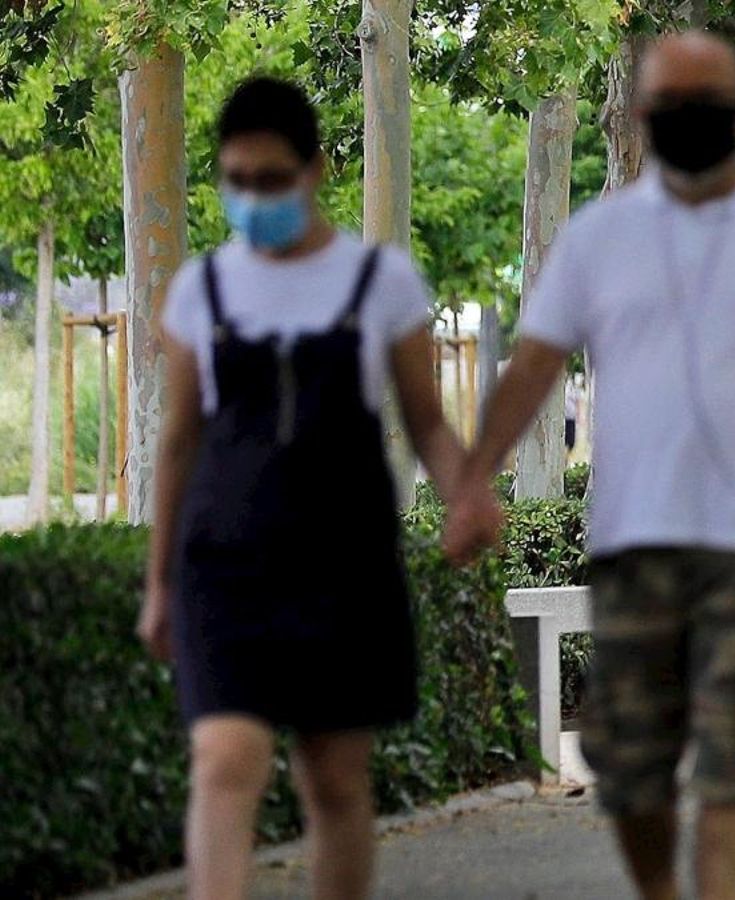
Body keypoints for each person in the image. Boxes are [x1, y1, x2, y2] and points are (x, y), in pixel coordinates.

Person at [447, 32, 735, 900]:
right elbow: (533, 367)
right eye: (670, 108)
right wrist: (472, 481)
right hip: (634, 537)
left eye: (705, 107)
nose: (687, 121)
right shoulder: (599, 237)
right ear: (640, 116)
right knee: (632, 765)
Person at [136, 78, 472, 899]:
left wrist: (468, 493)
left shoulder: (382, 280)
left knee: (334, 777)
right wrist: (159, 583)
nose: (254, 198)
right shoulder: (200, 289)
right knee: (225, 758)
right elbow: (178, 443)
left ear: (316, 169)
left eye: (272, 179)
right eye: (237, 180)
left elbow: (428, 423)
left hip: (343, 566)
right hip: (225, 565)